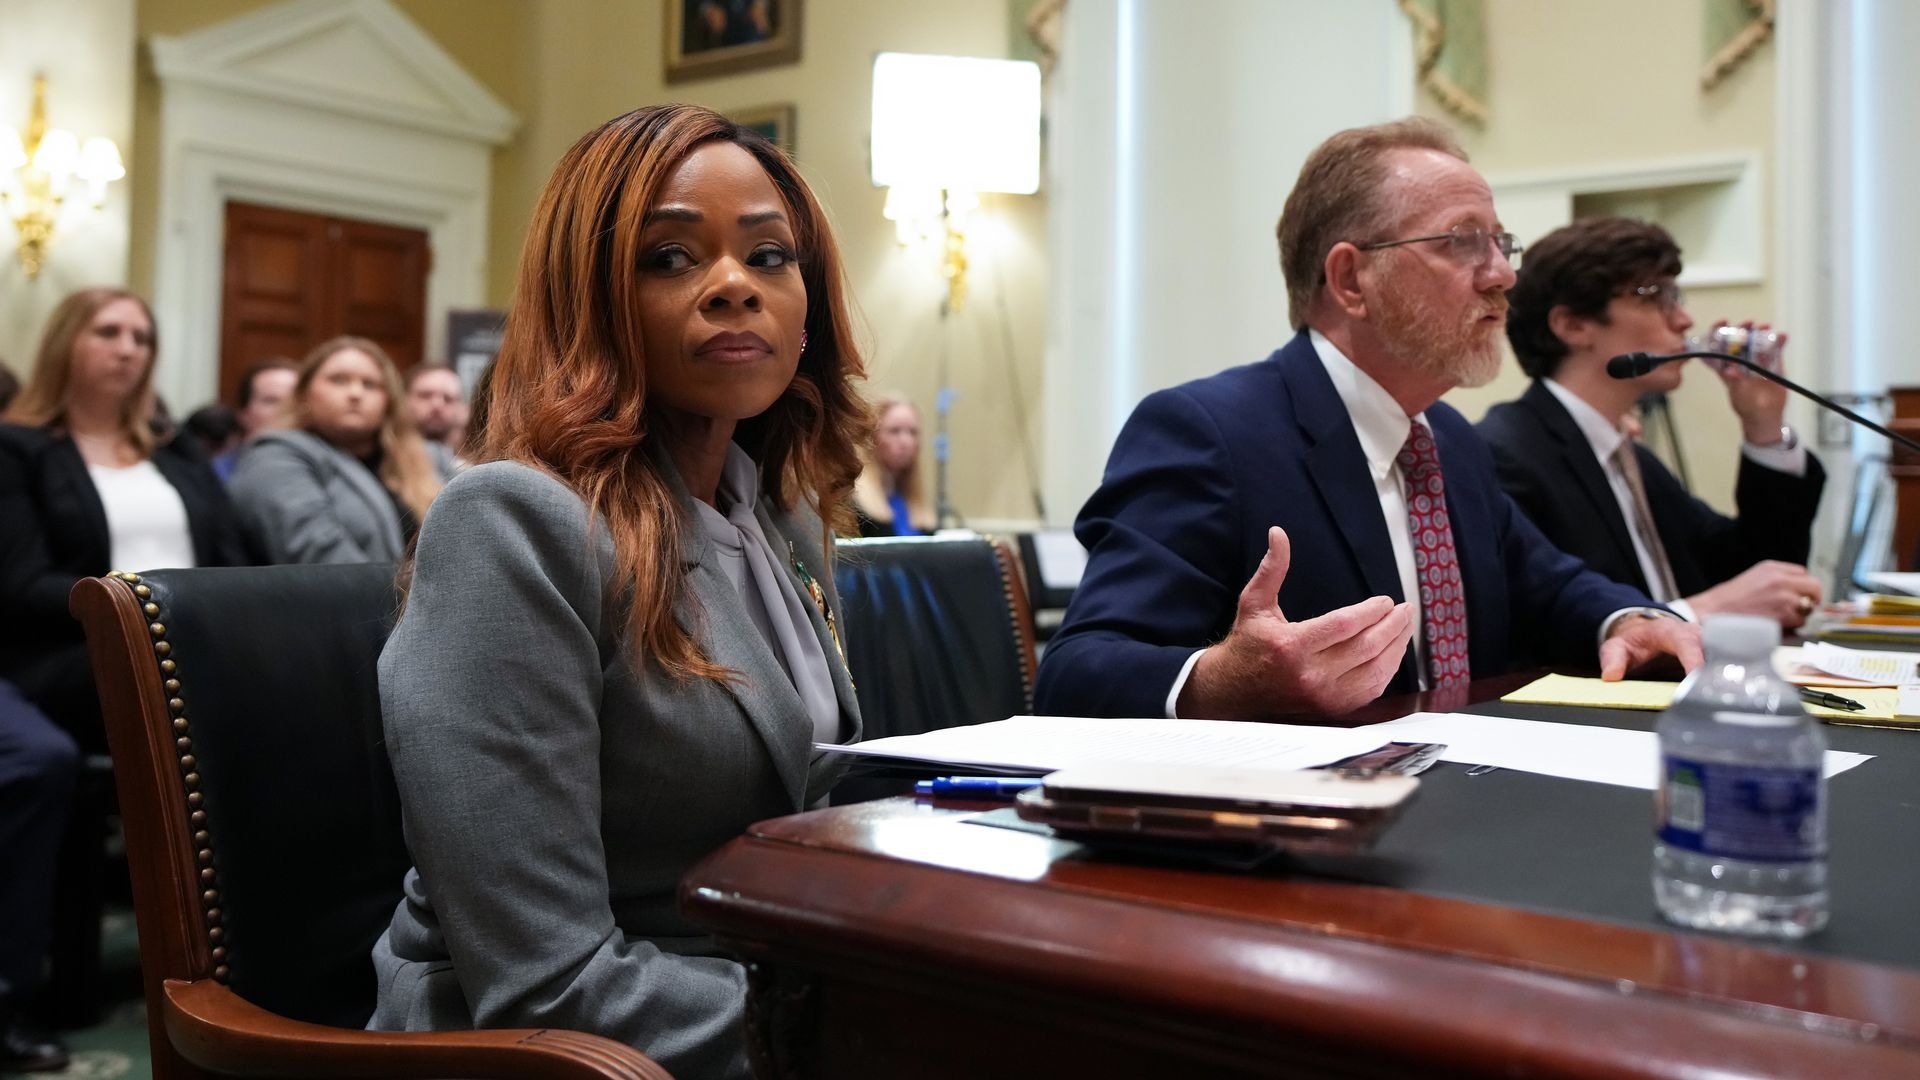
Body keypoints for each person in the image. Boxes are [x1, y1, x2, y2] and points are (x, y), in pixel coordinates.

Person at [367, 104, 869, 1079]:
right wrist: (875, 1033)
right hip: (557, 1052)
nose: (734, 287)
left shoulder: (781, 521)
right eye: (672, 259)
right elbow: (548, 985)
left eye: (769, 257)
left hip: (753, 995)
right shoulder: (510, 526)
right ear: (592, 300)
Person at [1033, 119, 1702, 723]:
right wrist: (1218, 680)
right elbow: (1077, 671)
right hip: (1299, 834)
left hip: (1467, 806)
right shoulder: (1209, 432)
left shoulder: (1448, 441)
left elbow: (1549, 583)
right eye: (1463, 242)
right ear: (1352, 280)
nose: (1502, 276)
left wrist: (1626, 617)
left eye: (1502, 244)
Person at [1478, 217, 1826, 629]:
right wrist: (1701, 611)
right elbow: (1542, 627)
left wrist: (1763, 427)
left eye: (1675, 297)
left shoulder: (1630, 458)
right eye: (1656, 297)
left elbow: (1758, 575)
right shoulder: (1507, 454)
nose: (1682, 320)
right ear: (1573, 325)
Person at [0, 288, 249, 752]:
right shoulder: (18, 449)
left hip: (193, 638)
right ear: (64, 344)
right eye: (108, 332)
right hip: (76, 649)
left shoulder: (176, 451)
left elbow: (229, 555)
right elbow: (22, 583)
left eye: (142, 338)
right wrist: (135, 606)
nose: (128, 349)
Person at [229, 337, 453, 564]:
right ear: (304, 394)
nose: (355, 393)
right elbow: (320, 556)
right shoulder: (274, 457)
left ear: (389, 401)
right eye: (338, 380)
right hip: (346, 597)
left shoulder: (427, 457)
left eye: (370, 384)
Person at [852, 393, 934, 536]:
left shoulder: (915, 506)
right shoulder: (856, 505)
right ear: (873, 438)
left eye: (913, 432)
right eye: (894, 431)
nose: (905, 442)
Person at [212, 358, 297, 482]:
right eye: (271, 401)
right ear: (243, 413)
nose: (286, 410)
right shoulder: (216, 475)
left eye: (295, 401)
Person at [403, 363, 467, 458]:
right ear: (404, 399)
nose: (437, 405)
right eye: (425, 395)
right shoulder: (384, 460)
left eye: (448, 398)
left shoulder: (471, 468)